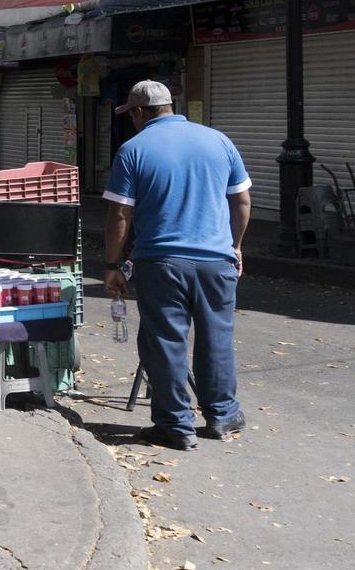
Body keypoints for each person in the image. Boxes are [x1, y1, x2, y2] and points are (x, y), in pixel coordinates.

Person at [102, 80, 252, 451]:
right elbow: (242, 201)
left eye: (130, 115)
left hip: (161, 263)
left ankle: (175, 425)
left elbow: (120, 213)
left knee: (166, 342)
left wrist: (112, 263)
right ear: (171, 106)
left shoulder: (133, 149)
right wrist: (234, 247)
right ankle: (222, 416)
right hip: (217, 262)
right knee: (217, 339)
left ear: (138, 112)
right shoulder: (218, 141)